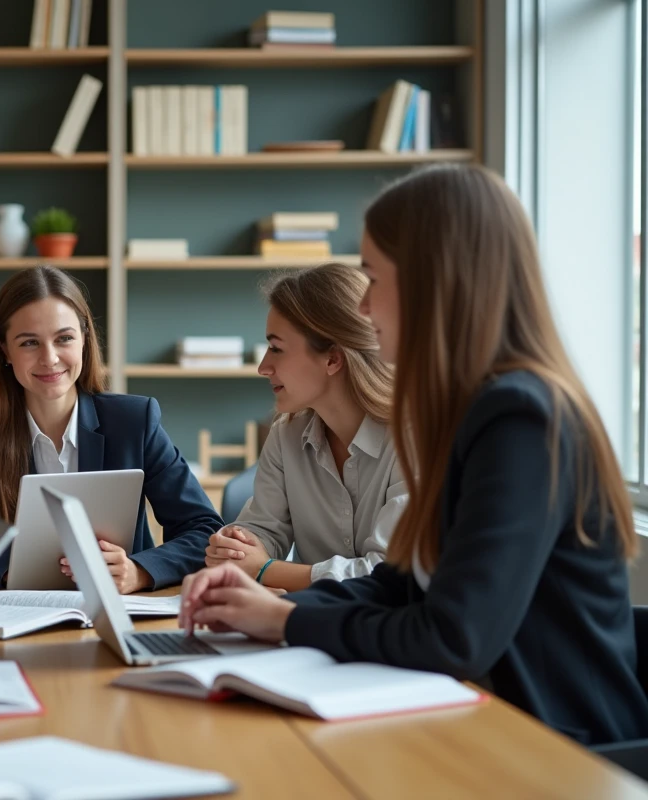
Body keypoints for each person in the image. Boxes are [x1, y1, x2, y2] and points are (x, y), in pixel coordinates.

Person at [179, 163, 648, 745]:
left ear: (433, 281)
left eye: (373, 278)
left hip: (559, 750)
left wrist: (287, 617)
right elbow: (402, 584)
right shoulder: (473, 408)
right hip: (485, 719)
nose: (366, 308)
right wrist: (263, 607)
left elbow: (453, 635)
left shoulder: (522, 418)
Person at [0, 265, 222, 592]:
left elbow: (204, 531)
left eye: (64, 338)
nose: (50, 358)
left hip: (122, 614)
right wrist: (10, 567)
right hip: (16, 617)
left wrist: (138, 570)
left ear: (84, 338)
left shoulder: (134, 421)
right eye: (29, 343)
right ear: (4, 351)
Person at [203, 263, 405, 592]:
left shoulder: (416, 438)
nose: (263, 367)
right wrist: (238, 546)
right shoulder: (287, 434)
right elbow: (264, 531)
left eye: (276, 349)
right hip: (315, 625)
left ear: (333, 359)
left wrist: (265, 569)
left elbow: (389, 576)